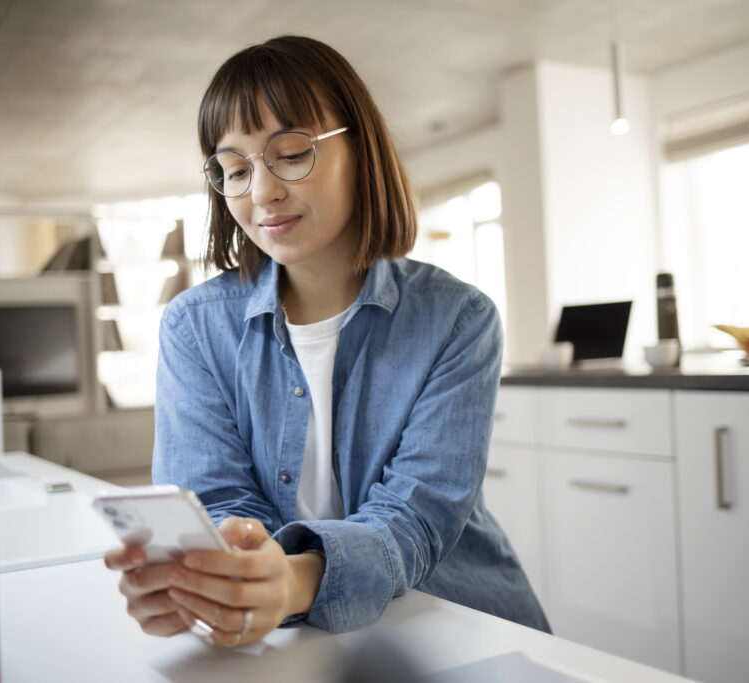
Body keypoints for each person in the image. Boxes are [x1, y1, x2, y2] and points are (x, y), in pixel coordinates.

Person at [104, 34, 549, 647]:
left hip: (454, 621)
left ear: (361, 149)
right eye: (235, 169)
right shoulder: (194, 329)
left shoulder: (458, 320)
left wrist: (290, 581)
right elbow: (219, 506)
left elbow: (416, 520)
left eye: (290, 154)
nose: (261, 194)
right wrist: (215, 579)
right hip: (300, 642)